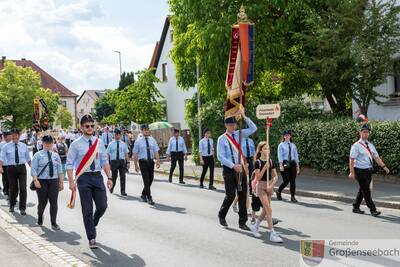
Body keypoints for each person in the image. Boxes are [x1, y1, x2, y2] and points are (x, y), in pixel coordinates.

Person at [66, 114, 113, 249]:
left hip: (97, 177)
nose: (90, 128)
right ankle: (91, 237)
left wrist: (109, 177)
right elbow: (69, 165)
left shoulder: (99, 142)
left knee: (102, 206)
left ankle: (94, 221)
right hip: (84, 178)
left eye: (92, 125)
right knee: (87, 209)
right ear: (81, 127)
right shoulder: (75, 144)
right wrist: (71, 182)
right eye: (87, 126)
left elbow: (104, 161)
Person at [217, 109, 257, 230]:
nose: (233, 127)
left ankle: (242, 222)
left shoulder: (239, 133)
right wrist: (233, 165)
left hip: (242, 169)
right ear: (226, 125)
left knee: (243, 194)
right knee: (230, 195)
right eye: (230, 125)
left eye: (234, 124)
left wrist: (244, 116)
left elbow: (253, 128)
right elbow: (220, 157)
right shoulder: (222, 139)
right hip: (230, 170)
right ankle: (221, 215)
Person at [349, 124, 389, 217]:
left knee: (362, 189)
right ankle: (373, 210)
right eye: (364, 132)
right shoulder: (356, 146)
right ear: (360, 133)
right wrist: (352, 172)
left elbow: (376, 157)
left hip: (368, 171)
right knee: (366, 191)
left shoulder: (370, 145)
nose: (366, 134)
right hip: (359, 170)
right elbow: (351, 159)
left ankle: (355, 207)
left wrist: (384, 166)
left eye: (367, 132)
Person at [249, 142, 283, 243]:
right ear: (260, 151)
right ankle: (272, 233)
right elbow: (258, 177)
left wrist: (271, 186)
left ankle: (255, 226)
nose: (267, 150)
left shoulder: (271, 161)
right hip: (260, 186)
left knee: (265, 210)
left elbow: (275, 176)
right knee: (269, 210)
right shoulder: (257, 163)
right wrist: (265, 167)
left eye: (268, 148)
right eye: (265, 149)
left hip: (269, 186)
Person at [31, 135, 64, 230]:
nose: (48, 145)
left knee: (53, 202)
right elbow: (33, 169)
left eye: (50, 143)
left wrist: (61, 183)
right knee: (42, 202)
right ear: (43, 143)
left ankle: (53, 223)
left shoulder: (56, 155)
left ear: (53, 143)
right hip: (42, 181)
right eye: (46, 143)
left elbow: (60, 170)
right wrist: (35, 180)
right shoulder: (37, 155)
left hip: (53, 181)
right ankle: (40, 215)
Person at [0, 128, 31, 214]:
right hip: (11, 168)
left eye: (16, 135)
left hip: (22, 168)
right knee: (13, 188)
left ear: (19, 135)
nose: (14, 137)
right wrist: (0, 167)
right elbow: (1, 157)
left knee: (23, 188)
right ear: (11, 136)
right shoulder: (6, 146)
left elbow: (28, 159)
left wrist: (33, 169)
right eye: (12, 135)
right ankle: (12, 205)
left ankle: (22, 208)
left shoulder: (23, 146)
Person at [133, 124, 160, 205]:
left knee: (151, 179)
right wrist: (136, 165)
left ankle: (143, 194)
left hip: (151, 162)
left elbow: (156, 151)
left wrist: (158, 161)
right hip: (143, 162)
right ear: (141, 131)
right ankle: (149, 197)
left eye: (147, 129)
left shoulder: (152, 140)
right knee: (146, 180)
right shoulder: (138, 141)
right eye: (145, 130)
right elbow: (135, 154)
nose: (147, 131)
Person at [276, 130, 300, 203]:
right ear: (283, 136)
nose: (287, 136)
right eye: (285, 135)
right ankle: (278, 191)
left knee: (293, 181)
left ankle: (293, 197)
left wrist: (297, 166)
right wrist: (281, 165)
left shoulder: (293, 145)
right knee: (286, 181)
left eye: (288, 135)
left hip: (292, 164)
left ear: (290, 136)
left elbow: (296, 156)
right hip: (285, 163)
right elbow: (280, 155)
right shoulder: (281, 145)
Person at [107, 128, 129, 196]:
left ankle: (123, 191)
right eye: (116, 134)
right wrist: (108, 163)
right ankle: (112, 188)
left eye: (119, 134)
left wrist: (128, 162)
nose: (117, 136)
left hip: (122, 161)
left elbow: (126, 153)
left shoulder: (123, 144)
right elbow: (107, 154)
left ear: (120, 135)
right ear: (114, 135)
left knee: (123, 176)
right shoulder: (110, 144)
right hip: (113, 162)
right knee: (114, 176)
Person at [0, 131, 11, 197]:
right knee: (5, 178)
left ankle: (10, 192)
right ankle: (6, 191)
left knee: (11, 179)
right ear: (5, 137)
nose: (10, 138)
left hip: (11, 165)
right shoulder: (1, 144)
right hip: (4, 164)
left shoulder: (12, 143)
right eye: (9, 136)